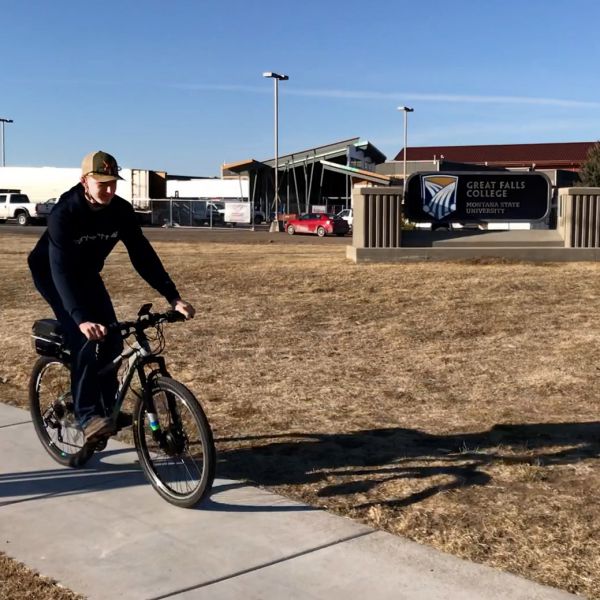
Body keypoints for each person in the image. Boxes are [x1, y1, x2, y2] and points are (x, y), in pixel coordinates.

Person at [28, 150, 195, 442]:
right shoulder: (64, 213)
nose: (108, 189)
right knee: (84, 337)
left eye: (113, 183)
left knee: (114, 340)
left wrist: (173, 296)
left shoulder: (120, 211)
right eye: (101, 183)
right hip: (53, 274)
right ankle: (86, 414)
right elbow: (60, 270)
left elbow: (142, 255)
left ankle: (106, 408)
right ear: (85, 181)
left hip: (87, 274)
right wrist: (79, 319)